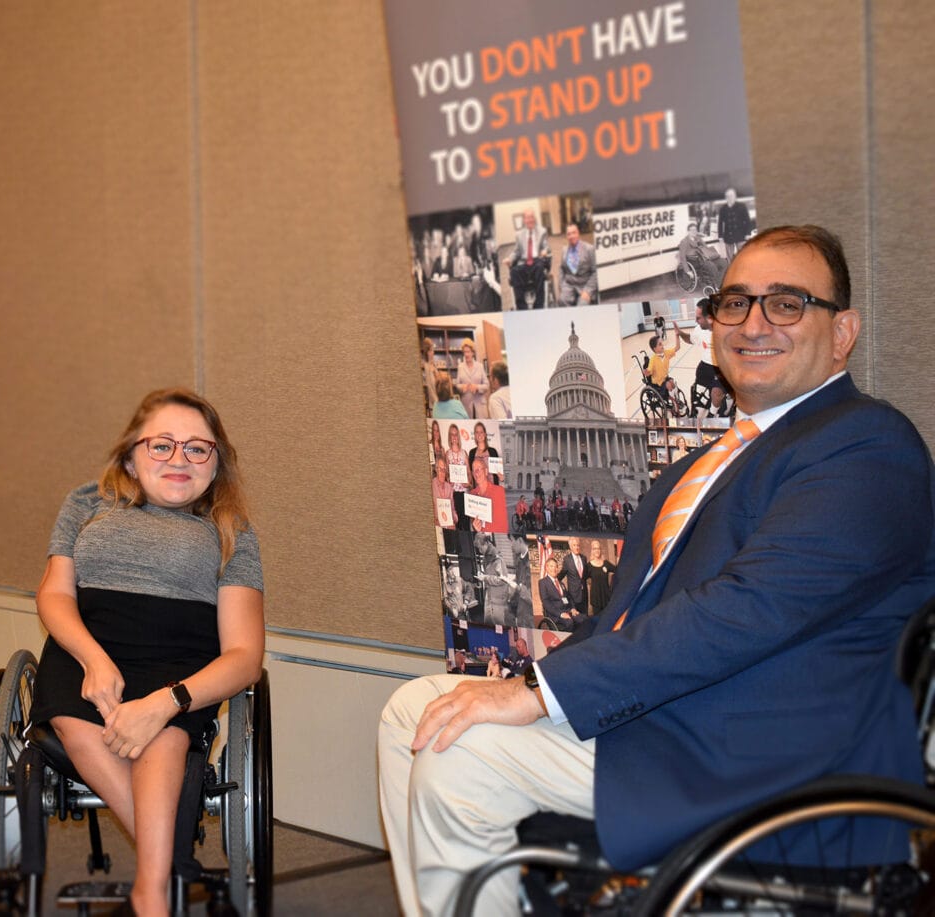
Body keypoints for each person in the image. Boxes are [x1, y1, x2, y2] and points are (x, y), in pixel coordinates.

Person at [378, 225, 935, 917]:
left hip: (760, 747)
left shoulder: (865, 445)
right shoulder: (700, 466)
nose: (753, 323)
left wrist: (543, 691)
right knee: (413, 713)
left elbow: (746, 609)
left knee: (462, 757)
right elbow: (624, 614)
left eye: (786, 304)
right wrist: (537, 686)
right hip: (670, 713)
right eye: (735, 303)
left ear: (842, 331)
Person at [30, 388, 264, 917]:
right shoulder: (86, 502)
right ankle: (176, 871)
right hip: (88, 645)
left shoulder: (232, 532)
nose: (179, 459)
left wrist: (165, 702)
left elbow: (246, 656)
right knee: (76, 722)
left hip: (180, 659)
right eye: (161, 446)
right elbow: (54, 593)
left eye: (197, 449)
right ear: (131, 457)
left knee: (164, 740)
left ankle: (151, 892)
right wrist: (93, 659)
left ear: (216, 464)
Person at [675, 299, 729, 417]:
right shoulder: (699, 330)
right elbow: (690, 339)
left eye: (698, 318)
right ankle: (696, 408)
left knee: (716, 392)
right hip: (705, 366)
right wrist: (680, 333)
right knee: (696, 387)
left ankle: (713, 413)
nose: (696, 321)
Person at [503, 209, 551, 309]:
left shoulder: (542, 231)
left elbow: (546, 246)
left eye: (532, 217)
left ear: (535, 218)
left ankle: (538, 306)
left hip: (537, 260)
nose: (530, 220)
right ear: (524, 220)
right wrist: (510, 259)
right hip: (524, 262)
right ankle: (522, 307)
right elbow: (517, 251)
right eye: (527, 218)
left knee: (539, 267)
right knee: (514, 272)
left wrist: (545, 251)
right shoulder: (519, 234)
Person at [678, 221, 728, 291]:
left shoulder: (698, 238)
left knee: (724, 262)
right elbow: (682, 257)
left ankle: (718, 282)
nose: (694, 231)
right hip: (696, 260)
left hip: (705, 257)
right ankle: (718, 285)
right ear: (688, 231)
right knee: (712, 266)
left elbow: (706, 248)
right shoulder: (684, 242)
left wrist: (710, 254)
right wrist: (688, 271)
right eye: (692, 230)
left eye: (695, 230)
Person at [558, 222, 598, 306]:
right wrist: (562, 286)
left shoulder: (589, 249)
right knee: (562, 300)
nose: (571, 236)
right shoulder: (564, 250)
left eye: (574, 233)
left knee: (582, 305)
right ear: (566, 236)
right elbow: (561, 268)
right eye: (569, 234)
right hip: (569, 285)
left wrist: (588, 290)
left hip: (584, 285)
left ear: (578, 233)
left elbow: (595, 272)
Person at [537, 557, 581, 631]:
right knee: (569, 622)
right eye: (551, 566)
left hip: (567, 611)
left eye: (555, 566)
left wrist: (573, 608)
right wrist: (560, 614)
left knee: (583, 619)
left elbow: (569, 598)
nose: (554, 569)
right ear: (546, 568)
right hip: (555, 615)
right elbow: (546, 602)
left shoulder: (561, 583)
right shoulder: (543, 582)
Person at [467, 457, 508, 534]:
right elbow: (472, 523)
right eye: (474, 470)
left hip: (496, 539)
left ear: (486, 471)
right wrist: (475, 527)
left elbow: (503, 524)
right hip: (481, 539)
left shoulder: (498, 491)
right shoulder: (472, 494)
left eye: (479, 469)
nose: (476, 473)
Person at [556, 536, 592, 615]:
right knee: (576, 618)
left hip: (584, 595)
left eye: (578, 545)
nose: (577, 547)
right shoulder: (567, 560)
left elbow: (585, 575)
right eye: (574, 545)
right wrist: (552, 580)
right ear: (570, 546)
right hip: (573, 596)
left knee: (584, 617)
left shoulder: (584, 558)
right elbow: (562, 574)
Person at [444, 424, 470, 531]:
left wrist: (468, 483)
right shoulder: (447, 454)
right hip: (453, 493)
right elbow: (446, 474)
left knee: (466, 522)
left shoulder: (464, 453)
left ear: (458, 436)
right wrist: (448, 481)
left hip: (464, 492)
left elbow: (469, 474)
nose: (454, 437)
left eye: (455, 434)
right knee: (457, 522)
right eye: (451, 434)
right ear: (449, 437)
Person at [454, 339, 488, 418]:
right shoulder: (460, 367)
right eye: (464, 352)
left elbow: (487, 384)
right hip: (466, 405)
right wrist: (462, 387)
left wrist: (477, 387)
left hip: (479, 405)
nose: (466, 354)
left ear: (473, 352)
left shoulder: (480, 366)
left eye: (468, 351)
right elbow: (457, 385)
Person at [716, 187, 753, 261]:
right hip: (728, 236)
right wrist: (720, 236)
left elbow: (747, 221)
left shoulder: (741, 206)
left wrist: (748, 233)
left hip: (741, 235)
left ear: (735, 196)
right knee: (730, 257)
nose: (730, 198)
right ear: (726, 197)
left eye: (732, 196)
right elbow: (720, 223)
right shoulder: (723, 209)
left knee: (743, 255)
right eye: (728, 196)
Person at [586, 539, 616, 616]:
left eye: (598, 548)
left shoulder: (606, 563)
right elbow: (582, 579)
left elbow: (618, 571)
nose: (597, 550)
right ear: (592, 550)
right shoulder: (588, 566)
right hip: (596, 600)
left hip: (606, 598)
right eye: (595, 548)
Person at [467, 421, 500, 485]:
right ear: (475, 435)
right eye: (477, 432)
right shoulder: (472, 453)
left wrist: (501, 477)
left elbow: (499, 474)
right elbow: (471, 474)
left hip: (492, 489)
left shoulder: (492, 451)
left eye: (481, 432)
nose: (479, 434)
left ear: (485, 434)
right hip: (478, 490)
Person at [431, 456, 457, 529]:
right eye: (440, 469)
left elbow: (452, 509)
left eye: (444, 469)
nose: (442, 472)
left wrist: (454, 520)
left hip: (448, 523)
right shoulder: (431, 486)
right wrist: (435, 521)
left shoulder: (449, 487)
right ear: (436, 470)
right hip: (436, 524)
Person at [420, 338, 439, 412]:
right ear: (426, 352)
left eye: (433, 350)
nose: (433, 352)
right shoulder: (426, 366)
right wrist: (437, 401)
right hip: (435, 404)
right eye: (431, 350)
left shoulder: (433, 364)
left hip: (439, 401)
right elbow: (429, 388)